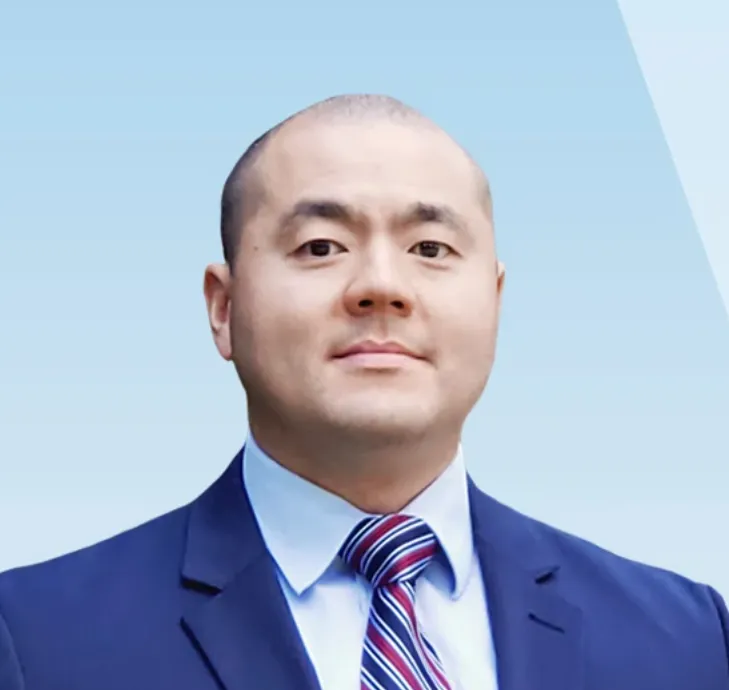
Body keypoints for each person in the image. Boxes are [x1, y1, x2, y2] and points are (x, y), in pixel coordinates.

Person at [0, 94, 727, 690]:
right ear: (224, 308)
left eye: (430, 249)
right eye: (321, 247)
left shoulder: (685, 638)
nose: (381, 285)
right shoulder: (34, 639)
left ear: (495, 302)